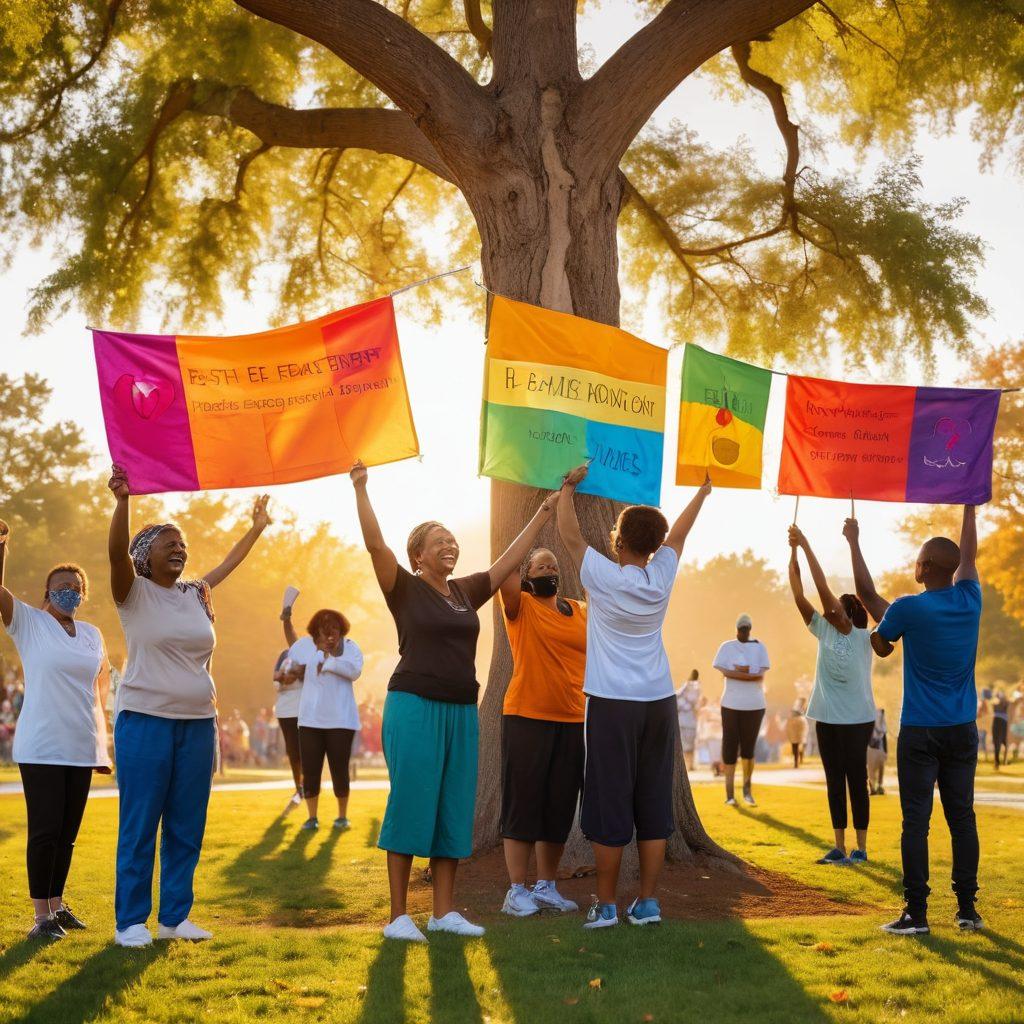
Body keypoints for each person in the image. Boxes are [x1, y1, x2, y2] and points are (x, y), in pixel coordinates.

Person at [351, 460, 558, 942]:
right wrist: (362, 490)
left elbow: (509, 560)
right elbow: (375, 544)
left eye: (452, 540)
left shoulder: (465, 591)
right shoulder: (403, 587)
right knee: (411, 803)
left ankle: (444, 911)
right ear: (418, 556)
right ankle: (398, 915)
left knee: (452, 807)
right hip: (414, 706)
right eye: (439, 541)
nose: (450, 545)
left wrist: (545, 512)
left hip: (461, 709)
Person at [107, 463, 270, 947]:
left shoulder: (196, 594)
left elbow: (226, 564)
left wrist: (256, 529)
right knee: (141, 822)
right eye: (168, 543)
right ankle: (130, 923)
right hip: (145, 722)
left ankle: (175, 918)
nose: (179, 548)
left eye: (182, 543)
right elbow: (114, 553)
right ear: (144, 555)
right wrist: (122, 502)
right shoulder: (131, 592)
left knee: (186, 823)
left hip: (199, 724)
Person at [557, 464, 712, 929]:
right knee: (652, 801)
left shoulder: (603, 575)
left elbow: (569, 535)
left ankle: (605, 905)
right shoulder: (661, 574)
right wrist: (702, 493)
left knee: (608, 801)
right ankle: (647, 902)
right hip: (658, 702)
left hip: (610, 701)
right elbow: (679, 535)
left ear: (617, 541)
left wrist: (567, 488)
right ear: (654, 545)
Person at [847, 507, 984, 935]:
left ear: (924, 569)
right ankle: (967, 910)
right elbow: (970, 557)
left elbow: (878, 631)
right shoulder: (970, 598)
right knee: (962, 817)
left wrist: (853, 542)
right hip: (962, 728)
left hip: (921, 732)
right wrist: (969, 507)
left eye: (919, 559)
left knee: (916, 822)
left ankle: (917, 914)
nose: (916, 562)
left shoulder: (908, 609)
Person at [0, 518, 112, 940]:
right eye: (61, 584)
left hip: (81, 745)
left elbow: (98, 692)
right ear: (47, 592)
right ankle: (39, 918)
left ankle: (58, 906)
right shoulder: (29, 623)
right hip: (42, 745)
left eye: (76, 586)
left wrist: (101, 750)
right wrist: (2, 545)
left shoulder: (92, 634)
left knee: (67, 836)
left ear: (84, 593)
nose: (69, 590)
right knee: (45, 831)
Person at [497, 547, 586, 917]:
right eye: (540, 565)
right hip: (527, 716)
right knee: (523, 803)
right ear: (527, 573)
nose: (548, 569)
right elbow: (503, 573)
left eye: (553, 564)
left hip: (575, 720)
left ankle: (547, 886)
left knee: (558, 807)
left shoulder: (580, 609)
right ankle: (516, 890)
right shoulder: (521, 606)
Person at [788, 525, 876, 865]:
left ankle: (861, 847)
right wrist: (793, 552)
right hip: (825, 715)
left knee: (858, 779)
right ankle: (839, 847)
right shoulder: (824, 629)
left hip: (857, 718)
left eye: (836, 607)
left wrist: (808, 543)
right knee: (834, 780)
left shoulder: (860, 636)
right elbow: (799, 594)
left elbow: (821, 587)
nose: (829, 609)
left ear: (847, 612)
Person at [288, 607, 364, 831]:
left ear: (341, 630)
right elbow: (293, 650)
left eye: (334, 629)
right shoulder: (308, 647)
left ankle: (342, 816)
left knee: (339, 768)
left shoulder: (350, 648)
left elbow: (354, 671)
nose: (329, 635)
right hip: (311, 720)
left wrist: (330, 659)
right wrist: (286, 619)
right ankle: (312, 817)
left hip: (341, 720)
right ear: (316, 631)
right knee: (311, 769)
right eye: (324, 629)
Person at [713, 614, 770, 807]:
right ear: (737, 629)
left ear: (750, 630)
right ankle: (729, 793)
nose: (744, 632)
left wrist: (737, 672)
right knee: (729, 745)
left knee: (748, 747)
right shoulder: (726, 647)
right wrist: (746, 673)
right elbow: (723, 671)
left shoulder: (759, 647)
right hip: (730, 704)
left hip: (754, 705)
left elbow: (760, 675)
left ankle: (747, 790)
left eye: (747, 629)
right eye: (741, 629)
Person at [274, 596, 303, 805]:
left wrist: (293, 675)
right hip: (285, 709)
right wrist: (286, 677)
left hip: (303, 707)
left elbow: (303, 675)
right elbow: (276, 679)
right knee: (292, 750)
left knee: (305, 749)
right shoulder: (283, 655)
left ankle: (308, 785)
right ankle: (298, 788)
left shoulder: (305, 654)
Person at [675, 670, 701, 773]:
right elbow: (677, 695)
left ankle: (689, 765)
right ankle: (686, 765)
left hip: (689, 720)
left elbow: (693, 700)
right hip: (684, 720)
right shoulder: (687, 687)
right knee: (685, 743)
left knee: (689, 743)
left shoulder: (695, 687)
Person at [868, 709, 888, 795]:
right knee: (871, 769)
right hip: (872, 749)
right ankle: (872, 787)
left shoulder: (882, 726)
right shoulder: (871, 722)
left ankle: (879, 786)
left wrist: (885, 751)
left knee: (880, 768)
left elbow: (884, 737)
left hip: (880, 749)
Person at [786, 700, 808, 768]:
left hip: (794, 721)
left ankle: (797, 761)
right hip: (801, 721)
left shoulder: (795, 702)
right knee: (801, 741)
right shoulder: (802, 704)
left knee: (795, 743)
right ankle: (799, 760)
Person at [991, 689, 1009, 769]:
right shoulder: (1004, 702)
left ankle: (999, 762)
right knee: (999, 743)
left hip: (999, 722)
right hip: (1001, 722)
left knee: (998, 743)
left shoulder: (1001, 702)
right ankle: (998, 762)